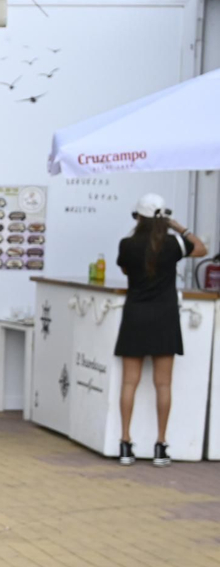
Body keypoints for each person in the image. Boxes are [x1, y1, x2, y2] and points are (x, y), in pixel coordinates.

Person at [114, 194, 208, 466]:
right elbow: (201, 248)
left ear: (138, 217)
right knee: (163, 384)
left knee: (129, 382)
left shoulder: (127, 244)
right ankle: (160, 445)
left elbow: (124, 268)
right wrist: (179, 227)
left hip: (135, 314)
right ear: (163, 217)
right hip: (165, 316)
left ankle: (125, 443)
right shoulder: (173, 243)